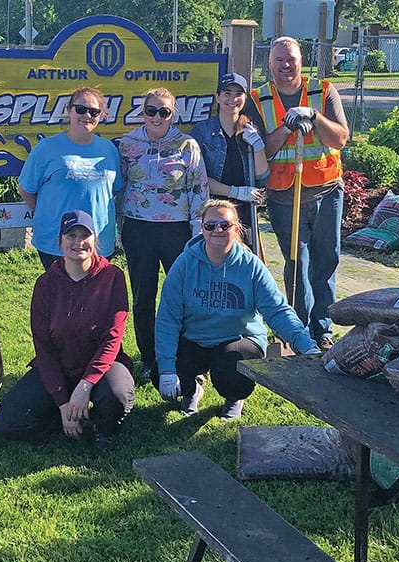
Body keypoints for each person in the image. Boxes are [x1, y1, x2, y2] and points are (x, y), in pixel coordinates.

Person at [154, 200, 318, 421]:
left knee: (233, 376)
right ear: (202, 229)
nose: (217, 230)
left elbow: (277, 311)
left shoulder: (251, 266)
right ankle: (192, 390)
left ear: (237, 229)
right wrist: (166, 369)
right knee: (159, 373)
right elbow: (167, 318)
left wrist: (306, 345)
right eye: (210, 225)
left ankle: (234, 397)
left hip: (238, 338)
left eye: (225, 225)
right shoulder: (185, 264)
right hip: (195, 338)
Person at [0, 210, 135, 451]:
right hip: (59, 365)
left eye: (85, 235)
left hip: (102, 365)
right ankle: (66, 418)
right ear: (60, 241)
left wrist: (86, 385)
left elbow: (112, 338)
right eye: (71, 235)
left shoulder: (113, 277)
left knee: (117, 395)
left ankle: (103, 430)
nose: (78, 242)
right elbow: (43, 348)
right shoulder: (45, 283)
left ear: (95, 240)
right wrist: (62, 403)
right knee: (7, 423)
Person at [249, 36, 350, 352]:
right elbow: (261, 149)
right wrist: (287, 127)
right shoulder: (258, 99)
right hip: (284, 195)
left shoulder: (323, 91)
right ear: (270, 63)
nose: (285, 65)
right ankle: (299, 329)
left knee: (326, 260)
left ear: (301, 60)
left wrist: (315, 117)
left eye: (291, 59)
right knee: (297, 263)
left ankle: (323, 329)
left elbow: (341, 138)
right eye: (279, 60)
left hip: (326, 191)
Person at [117, 87, 209, 382]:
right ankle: (149, 357)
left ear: (173, 115)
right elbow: (117, 189)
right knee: (143, 298)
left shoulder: (187, 145)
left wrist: (198, 233)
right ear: (142, 112)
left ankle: (187, 356)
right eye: (151, 111)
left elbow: (198, 189)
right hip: (138, 229)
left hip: (177, 230)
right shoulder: (127, 145)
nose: (157, 117)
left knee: (182, 296)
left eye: (164, 112)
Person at [18, 86, 122, 270]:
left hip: (98, 242)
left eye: (94, 111)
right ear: (69, 110)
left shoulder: (109, 150)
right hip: (56, 243)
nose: (86, 115)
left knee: (95, 298)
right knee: (60, 297)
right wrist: (49, 214)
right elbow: (26, 189)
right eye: (80, 109)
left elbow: (114, 191)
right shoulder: (47, 148)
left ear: (101, 116)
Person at [190, 73, 269, 236]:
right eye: (227, 93)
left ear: (245, 98)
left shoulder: (251, 130)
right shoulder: (202, 131)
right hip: (212, 212)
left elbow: (262, 177)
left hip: (244, 214)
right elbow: (198, 178)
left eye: (238, 94)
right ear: (217, 97)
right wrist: (235, 192)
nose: (233, 99)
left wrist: (258, 148)